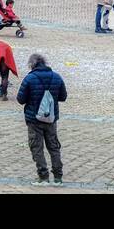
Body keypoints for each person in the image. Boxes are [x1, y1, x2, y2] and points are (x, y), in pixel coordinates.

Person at [16, 52, 67, 185]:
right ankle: (58, 177)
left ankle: (43, 176)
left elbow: (20, 99)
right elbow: (63, 97)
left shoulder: (29, 79)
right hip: (51, 118)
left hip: (34, 119)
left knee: (36, 148)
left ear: (32, 64)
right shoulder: (56, 77)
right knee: (54, 147)